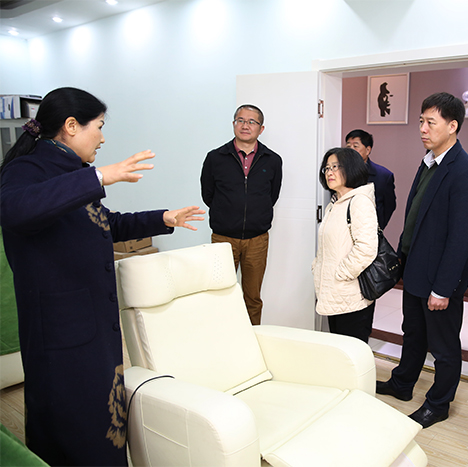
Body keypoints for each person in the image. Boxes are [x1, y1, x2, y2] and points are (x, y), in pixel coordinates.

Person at [0, 87, 204, 467]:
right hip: (60, 332)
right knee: (71, 426)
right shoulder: (27, 170)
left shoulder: (72, 171)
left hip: (91, 324)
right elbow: (15, 210)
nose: (103, 137)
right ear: (71, 126)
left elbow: (103, 223)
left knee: (100, 418)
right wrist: (100, 176)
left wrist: (163, 218)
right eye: (99, 126)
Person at [376, 92, 468, 428]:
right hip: (416, 268)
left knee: (444, 346)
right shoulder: (429, 161)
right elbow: (416, 218)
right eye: (421, 121)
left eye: (430, 122)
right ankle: (402, 382)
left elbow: (458, 238)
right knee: (413, 332)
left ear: (452, 126)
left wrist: (443, 288)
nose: (422, 128)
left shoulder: (464, 172)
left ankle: (438, 404)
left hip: (440, 277)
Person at [200, 104, 282, 325]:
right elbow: (208, 195)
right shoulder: (215, 158)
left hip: (257, 240)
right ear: (234, 124)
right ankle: (221, 336)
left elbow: (272, 196)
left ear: (261, 129)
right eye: (241, 120)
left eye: (252, 122)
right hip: (223, 238)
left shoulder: (272, 160)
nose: (246, 125)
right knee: (219, 294)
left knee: (252, 297)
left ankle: (252, 336)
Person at [312, 147, 378, 343]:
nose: (329, 172)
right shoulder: (336, 203)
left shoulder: (359, 202)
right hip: (335, 292)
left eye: (335, 167)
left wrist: (342, 273)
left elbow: (366, 248)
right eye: (327, 168)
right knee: (339, 348)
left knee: (352, 350)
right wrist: (318, 266)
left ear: (351, 168)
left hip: (351, 293)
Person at [345, 129, 397, 230]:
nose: (350, 150)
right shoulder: (339, 174)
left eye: (355, 146)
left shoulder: (383, 175)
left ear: (368, 150)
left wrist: (379, 225)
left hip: (370, 229)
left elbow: (389, 206)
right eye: (348, 146)